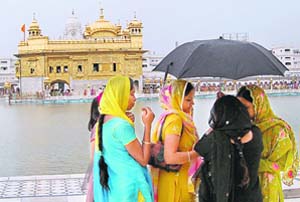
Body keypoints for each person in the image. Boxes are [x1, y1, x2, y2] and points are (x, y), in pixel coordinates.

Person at [93, 75, 155, 202]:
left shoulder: (102, 121)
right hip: (130, 186)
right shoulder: (121, 126)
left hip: (115, 185)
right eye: (132, 94)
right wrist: (148, 125)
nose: (135, 98)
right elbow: (143, 159)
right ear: (120, 95)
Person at [194, 95, 263, 202]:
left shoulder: (216, 139)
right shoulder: (256, 133)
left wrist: (215, 124)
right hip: (252, 197)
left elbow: (199, 148)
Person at [237, 85, 299, 202]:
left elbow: (282, 163)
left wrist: (251, 164)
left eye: (246, 108)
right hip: (245, 187)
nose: (242, 112)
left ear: (259, 105)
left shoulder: (276, 129)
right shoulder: (242, 128)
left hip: (267, 186)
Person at [151, 80, 200, 202]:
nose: (192, 103)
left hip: (176, 178)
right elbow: (170, 157)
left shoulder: (176, 118)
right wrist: (196, 153)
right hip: (175, 182)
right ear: (177, 99)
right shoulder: (175, 120)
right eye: (188, 100)